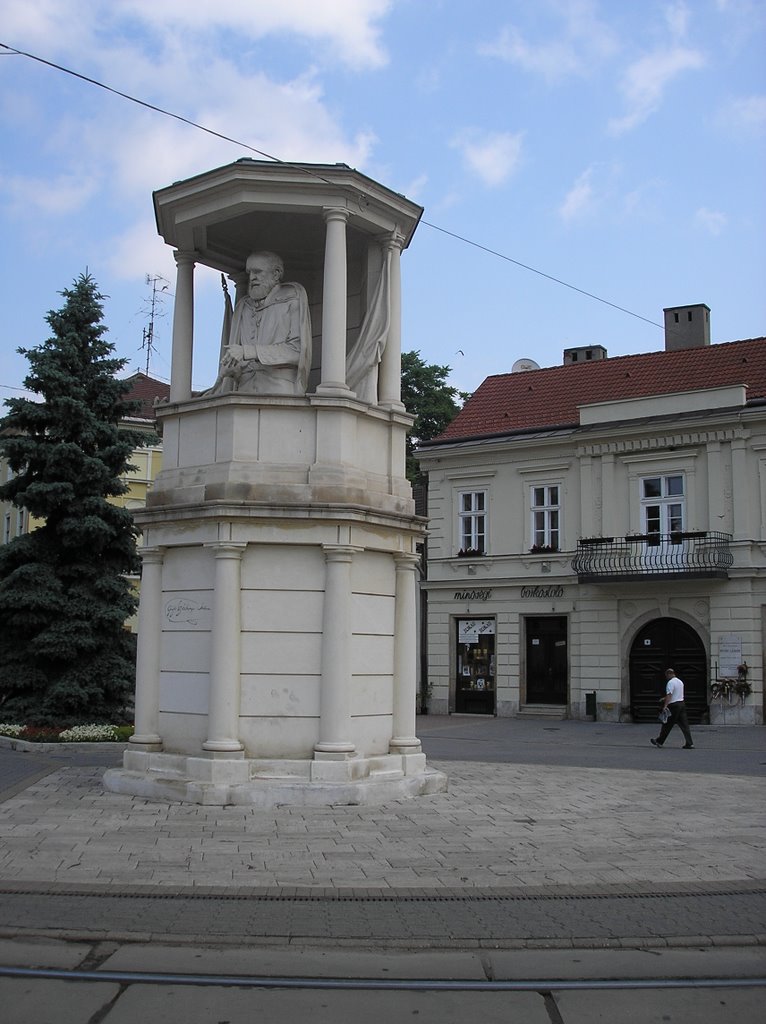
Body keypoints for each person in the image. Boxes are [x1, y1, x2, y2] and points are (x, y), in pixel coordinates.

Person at [210, 251, 312, 396]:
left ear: (276, 274)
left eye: (257, 272)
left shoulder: (291, 299)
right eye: (249, 272)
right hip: (243, 394)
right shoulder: (243, 308)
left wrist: (248, 351)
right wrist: (234, 371)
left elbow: (297, 351)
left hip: (280, 393)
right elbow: (241, 360)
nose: (252, 278)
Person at [651, 668, 694, 749]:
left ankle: (659, 741)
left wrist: (665, 706)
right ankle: (690, 743)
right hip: (681, 704)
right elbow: (676, 694)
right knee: (685, 725)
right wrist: (664, 698)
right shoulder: (680, 682)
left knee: (667, 724)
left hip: (674, 706)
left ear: (668, 674)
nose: (666, 678)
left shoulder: (670, 682)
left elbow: (670, 695)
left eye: (666, 676)